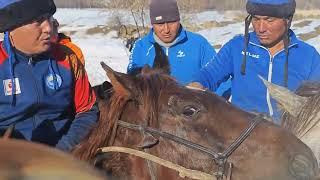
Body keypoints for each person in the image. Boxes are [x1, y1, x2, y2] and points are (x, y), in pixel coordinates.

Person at [191, 0, 320, 123]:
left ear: (288, 20)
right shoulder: (236, 47)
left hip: (289, 136)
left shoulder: (308, 56)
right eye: (256, 19)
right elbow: (209, 75)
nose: (260, 28)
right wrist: (193, 87)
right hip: (242, 132)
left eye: (269, 20)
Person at [0, 0, 98, 152]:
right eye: (38, 21)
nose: (48, 28)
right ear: (13, 26)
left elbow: (87, 110)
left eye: (49, 18)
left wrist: (63, 149)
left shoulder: (67, 58)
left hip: (66, 155)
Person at [127, 0, 230, 97]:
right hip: (154, 112)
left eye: (171, 22)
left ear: (178, 20)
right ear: (152, 23)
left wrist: (209, 105)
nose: (166, 29)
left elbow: (222, 80)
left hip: (193, 111)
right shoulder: (140, 46)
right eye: (160, 24)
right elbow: (131, 85)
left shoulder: (199, 44)